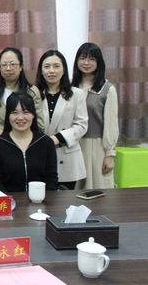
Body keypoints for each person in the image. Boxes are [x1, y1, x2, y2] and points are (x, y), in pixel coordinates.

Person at [0, 92, 58, 193]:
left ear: (33, 115)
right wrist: (8, 200)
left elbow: (51, 179)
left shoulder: (46, 142)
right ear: (8, 115)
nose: (20, 117)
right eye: (14, 112)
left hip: (41, 200)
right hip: (7, 200)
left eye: (26, 112)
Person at [36, 50, 88, 190]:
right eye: (47, 66)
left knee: (64, 199)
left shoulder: (76, 94)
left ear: (64, 69)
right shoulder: (33, 93)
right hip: (40, 155)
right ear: (41, 71)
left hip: (66, 156)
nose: (51, 71)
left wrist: (58, 138)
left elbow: (82, 125)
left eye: (56, 66)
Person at [72, 43, 119, 189]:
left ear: (99, 62)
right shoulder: (69, 88)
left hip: (96, 147)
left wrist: (109, 154)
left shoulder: (107, 89)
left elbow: (111, 124)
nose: (86, 63)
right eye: (82, 58)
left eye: (91, 59)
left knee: (97, 189)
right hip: (72, 146)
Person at [0, 47, 44, 143]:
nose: (8, 68)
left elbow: (40, 124)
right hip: (0, 142)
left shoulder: (32, 92)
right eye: (4, 65)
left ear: (21, 67)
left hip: (25, 142)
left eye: (13, 64)